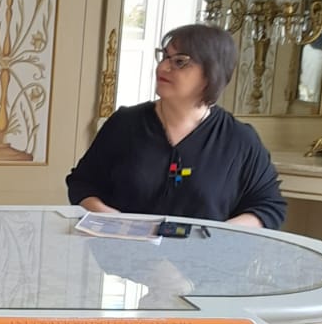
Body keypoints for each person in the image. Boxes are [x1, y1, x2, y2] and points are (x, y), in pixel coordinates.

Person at [66, 23, 286, 228]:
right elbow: (82, 183)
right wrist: (111, 219)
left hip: (205, 257)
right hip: (121, 253)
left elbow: (269, 207)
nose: (162, 67)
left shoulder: (239, 140)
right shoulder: (124, 124)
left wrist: (218, 236)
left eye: (180, 61)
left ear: (211, 73)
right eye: (164, 57)